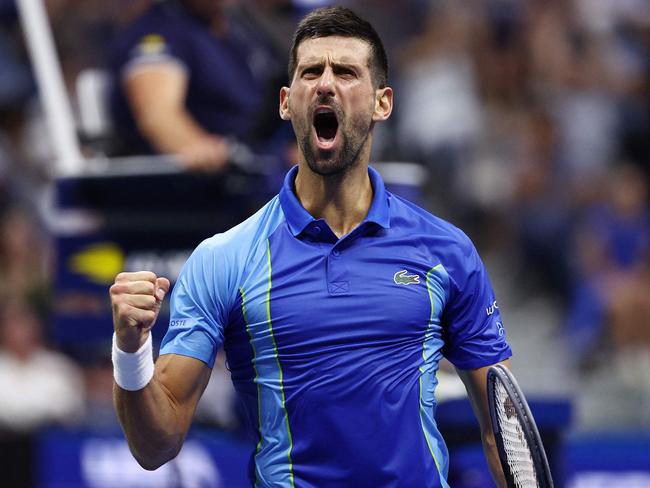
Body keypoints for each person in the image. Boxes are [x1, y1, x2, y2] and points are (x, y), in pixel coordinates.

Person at [110, 7, 512, 487]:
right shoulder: (225, 259)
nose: (326, 84)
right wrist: (131, 351)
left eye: (345, 72)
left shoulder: (447, 251)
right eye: (310, 72)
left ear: (383, 103)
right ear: (286, 102)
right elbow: (156, 446)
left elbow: (502, 433)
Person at [108, 0, 288, 171]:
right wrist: (197, 148)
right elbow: (158, 115)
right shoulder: (159, 31)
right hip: (211, 184)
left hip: (264, 160)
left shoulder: (242, 28)